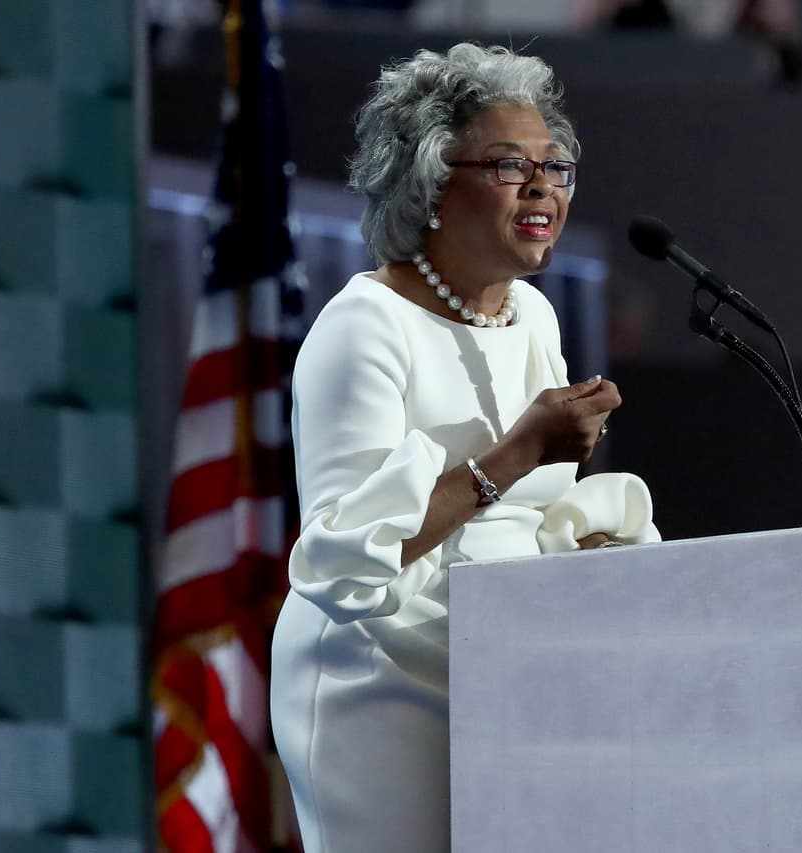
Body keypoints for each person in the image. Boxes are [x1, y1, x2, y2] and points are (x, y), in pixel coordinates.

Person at [269, 43, 660, 853]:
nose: (543, 186)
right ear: (432, 183)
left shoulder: (532, 317)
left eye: (556, 165)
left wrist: (583, 537)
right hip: (376, 677)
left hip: (508, 664)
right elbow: (341, 561)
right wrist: (520, 452)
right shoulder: (363, 326)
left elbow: (532, 512)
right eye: (511, 164)